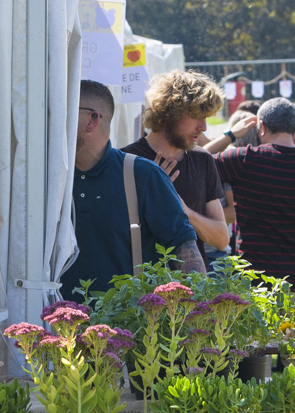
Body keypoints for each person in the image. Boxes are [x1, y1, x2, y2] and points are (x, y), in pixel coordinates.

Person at [62, 79, 204, 300]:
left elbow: (184, 248)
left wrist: (194, 318)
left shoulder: (142, 175)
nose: (53, 120)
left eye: (65, 110)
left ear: (92, 120)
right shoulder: (48, 178)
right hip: (54, 326)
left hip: (126, 327)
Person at [217, 97, 295, 315]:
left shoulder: (243, 159)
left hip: (253, 283)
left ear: (262, 127)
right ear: (294, 128)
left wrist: (231, 135)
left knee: (254, 349)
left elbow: (196, 159)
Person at [124, 71, 230, 263]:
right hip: (140, 287)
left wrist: (185, 211)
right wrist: (150, 192)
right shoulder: (127, 160)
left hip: (192, 287)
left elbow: (222, 239)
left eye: (206, 117)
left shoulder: (202, 160)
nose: (204, 126)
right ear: (169, 113)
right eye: (197, 116)